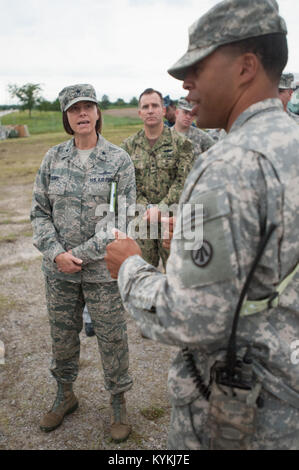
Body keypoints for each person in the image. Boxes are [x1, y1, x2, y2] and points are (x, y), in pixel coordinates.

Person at [105, 0, 299, 450]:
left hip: (243, 415)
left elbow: (191, 320)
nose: (185, 85)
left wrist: (130, 266)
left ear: (246, 66)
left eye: (197, 67)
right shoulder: (290, 141)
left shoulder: (229, 164)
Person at [30, 84, 135, 442]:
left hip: (102, 271)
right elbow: (39, 213)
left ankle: (118, 402)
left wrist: (82, 254)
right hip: (59, 271)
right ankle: (65, 394)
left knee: (112, 338)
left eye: (88, 106)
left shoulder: (119, 160)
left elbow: (122, 218)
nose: (83, 113)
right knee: (62, 338)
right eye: (75, 109)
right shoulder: (52, 159)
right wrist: (57, 253)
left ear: (98, 113)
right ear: (67, 117)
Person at [121, 88, 194, 270]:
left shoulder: (182, 144)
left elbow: (183, 181)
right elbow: (128, 184)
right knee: (142, 275)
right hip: (142, 220)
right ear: (140, 113)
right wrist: (147, 209)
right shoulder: (127, 147)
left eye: (155, 105)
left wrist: (160, 209)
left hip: (172, 221)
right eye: (145, 107)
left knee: (177, 275)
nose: (150, 110)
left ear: (164, 109)